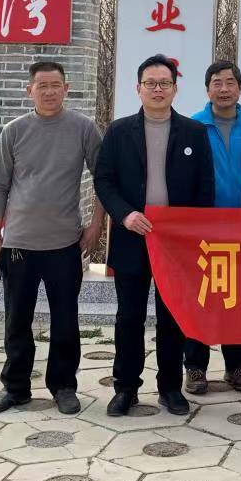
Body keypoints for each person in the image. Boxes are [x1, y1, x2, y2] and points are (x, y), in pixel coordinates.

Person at [95, 54, 214, 417]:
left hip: (175, 243)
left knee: (172, 317)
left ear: (175, 89)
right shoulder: (119, 131)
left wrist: (189, 231)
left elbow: (205, 188)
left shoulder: (194, 132)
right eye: (151, 83)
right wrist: (125, 214)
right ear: (139, 88)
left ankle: (170, 388)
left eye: (164, 83)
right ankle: (126, 388)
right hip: (133, 236)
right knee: (129, 317)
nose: (157, 89)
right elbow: (104, 181)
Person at [0, 61, 103, 416]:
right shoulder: (14, 131)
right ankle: (15, 387)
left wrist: (96, 226)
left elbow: (103, 178)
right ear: (30, 90)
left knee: (65, 319)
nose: (49, 92)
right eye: (42, 86)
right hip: (18, 244)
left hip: (64, 243)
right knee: (16, 321)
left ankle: (63, 386)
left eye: (55, 85)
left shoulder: (83, 128)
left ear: (66, 88)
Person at [184, 60, 241, 396]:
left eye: (230, 82)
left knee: (236, 300)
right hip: (201, 231)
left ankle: (236, 365)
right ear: (207, 89)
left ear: (240, 88)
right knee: (198, 299)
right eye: (217, 82)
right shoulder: (191, 128)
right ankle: (195, 366)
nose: (224, 89)